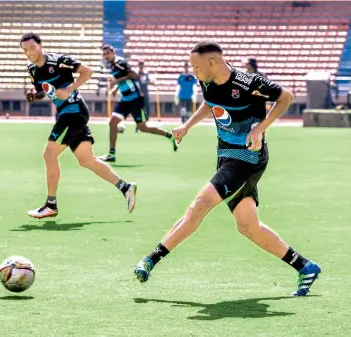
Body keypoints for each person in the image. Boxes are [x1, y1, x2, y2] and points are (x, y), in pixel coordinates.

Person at [134, 40, 321, 297]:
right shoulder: (208, 82)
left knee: (200, 203)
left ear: (212, 62)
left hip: (247, 157)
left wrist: (259, 128)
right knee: (247, 226)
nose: (193, 71)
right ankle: (305, 266)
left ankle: (151, 259)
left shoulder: (249, 83)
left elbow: (285, 97)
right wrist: (188, 125)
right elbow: (211, 103)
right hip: (225, 156)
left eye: (196, 66)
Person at [21, 33, 137, 218]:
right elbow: (43, 92)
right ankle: (126, 187)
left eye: (32, 48)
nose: (29, 53)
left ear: (41, 45)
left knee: (49, 154)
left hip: (73, 112)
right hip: (68, 114)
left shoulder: (59, 61)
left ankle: (51, 204)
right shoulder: (32, 70)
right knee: (86, 160)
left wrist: (69, 89)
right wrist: (33, 96)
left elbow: (87, 71)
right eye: (25, 50)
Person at [98, 45, 177, 163]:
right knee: (112, 122)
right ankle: (111, 154)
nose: (105, 56)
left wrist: (116, 81)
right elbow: (126, 79)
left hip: (135, 100)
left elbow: (134, 75)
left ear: (113, 52)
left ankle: (169, 135)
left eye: (107, 53)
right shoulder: (113, 65)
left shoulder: (120, 62)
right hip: (125, 100)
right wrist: (116, 89)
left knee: (143, 128)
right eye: (104, 54)